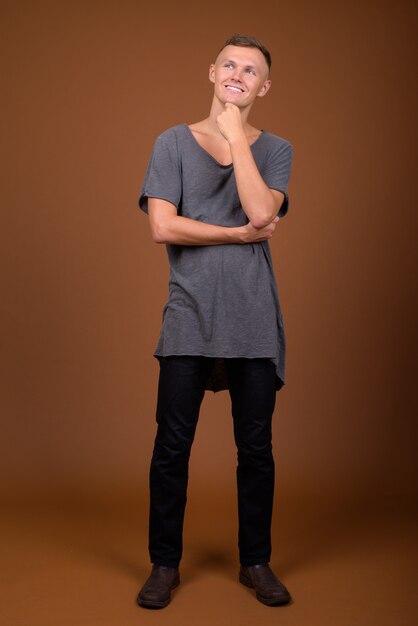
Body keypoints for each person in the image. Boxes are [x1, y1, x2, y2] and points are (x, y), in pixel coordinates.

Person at [136, 34, 293, 609]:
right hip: (189, 314)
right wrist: (234, 236)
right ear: (211, 71)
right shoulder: (171, 143)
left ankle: (256, 561)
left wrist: (235, 138)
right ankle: (164, 564)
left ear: (263, 86)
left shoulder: (276, 150)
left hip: (253, 317)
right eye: (229, 64)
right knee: (171, 446)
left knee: (256, 448)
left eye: (250, 70)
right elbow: (163, 227)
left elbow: (260, 210)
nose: (238, 74)